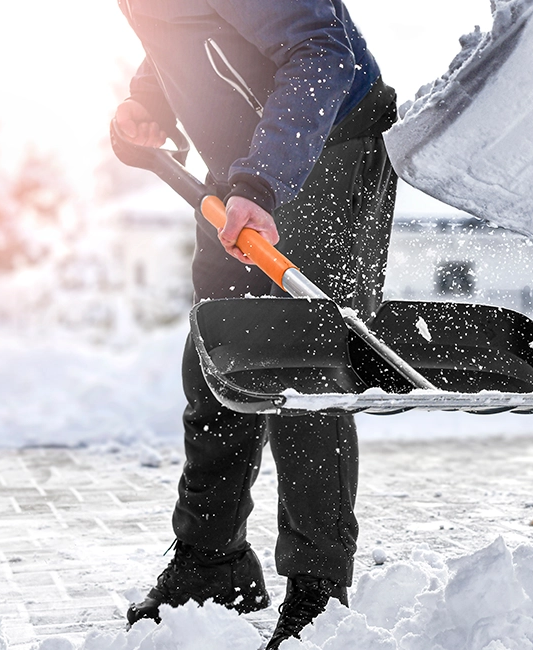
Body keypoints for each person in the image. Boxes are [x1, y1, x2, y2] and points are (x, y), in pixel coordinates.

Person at [112, 1, 397, 647]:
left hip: (325, 148)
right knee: (217, 361)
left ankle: (319, 596)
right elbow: (187, 28)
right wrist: (150, 99)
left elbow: (322, 52)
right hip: (243, 164)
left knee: (303, 376)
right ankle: (211, 566)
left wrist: (262, 182)